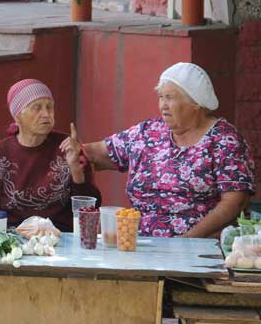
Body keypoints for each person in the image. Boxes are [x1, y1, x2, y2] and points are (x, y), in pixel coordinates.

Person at [63, 62, 255, 238]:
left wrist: (188, 241)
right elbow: (95, 154)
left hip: (199, 247)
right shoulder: (149, 132)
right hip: (139, 243)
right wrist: (74, 149)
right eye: (161, 97)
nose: (163, 105)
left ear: (195, 103)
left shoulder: (224, 140)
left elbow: (234, 203)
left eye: (170, 98)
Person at [0, 78, 100, 231]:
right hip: (14, 240)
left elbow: (91, 205)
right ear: (17, 116)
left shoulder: (68, 147)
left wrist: (75, 167)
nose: (46, 114)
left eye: (50, 107)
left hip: (62, 238)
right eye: (37, 108)